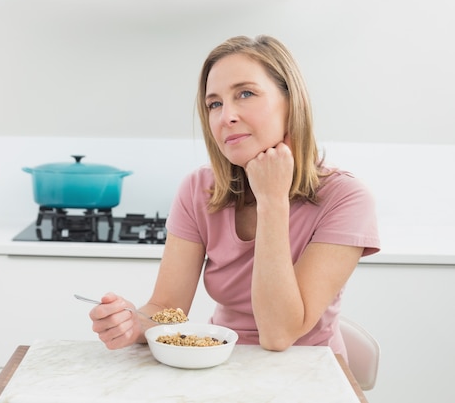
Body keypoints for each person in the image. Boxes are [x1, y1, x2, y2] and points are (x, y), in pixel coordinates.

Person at [88, 35, 380, 360]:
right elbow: (167, 307)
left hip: (310, 375)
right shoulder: (198, 189)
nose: (226, 116)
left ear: (291, 102)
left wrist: (272, 200)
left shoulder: (347, 199)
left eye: (245, 94)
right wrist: (134, 323)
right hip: (223, 368)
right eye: (214, 103)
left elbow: (278, 334)